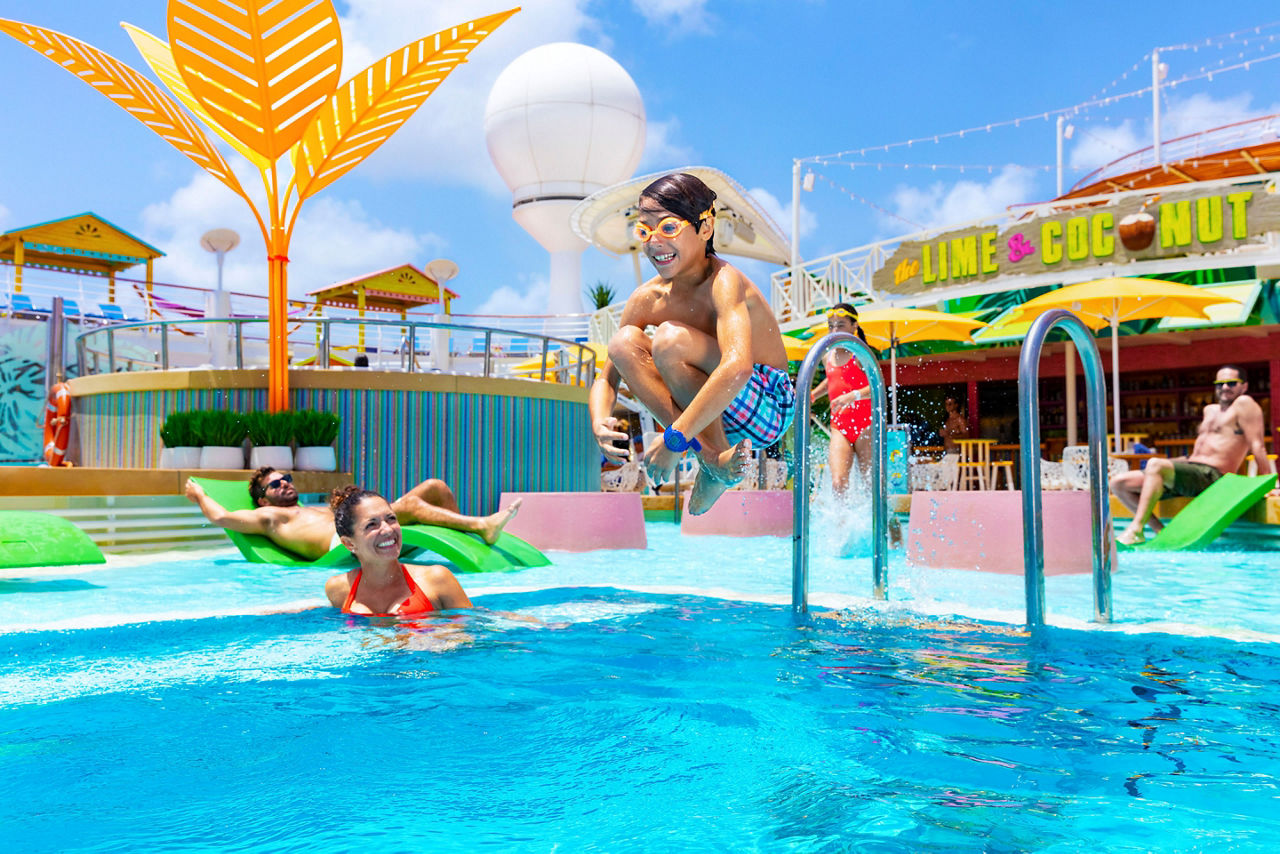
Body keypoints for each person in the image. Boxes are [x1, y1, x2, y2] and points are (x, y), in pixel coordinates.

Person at [589, 172, 795, 514]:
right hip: (712, 414)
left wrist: (675, 439)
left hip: (767, 408)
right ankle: (714, 459)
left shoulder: (723, 281)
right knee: (624, 342)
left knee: (670, 339)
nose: (654, 241)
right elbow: (605, 379)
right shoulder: (647, 298)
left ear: (705, 228)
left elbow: (738, 367)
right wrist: (599, 421)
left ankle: (708, 456)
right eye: (645, 230)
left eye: (668, 228)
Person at [185, 467, 522, 560]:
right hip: (346, 547)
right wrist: (200, 494)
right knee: (411, 508)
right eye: (275, 485)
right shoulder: (270, 518)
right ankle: (481, 526)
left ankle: (466, 542)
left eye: (286, 479)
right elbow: (222, 518)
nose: (285, 485)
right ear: (262, 500)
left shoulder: (310, 509)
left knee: (435, 486)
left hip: (364, 530)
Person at [1110, 365, 1273, 545]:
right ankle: (1160, 531)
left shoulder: (1245, 404)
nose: (1225, 387)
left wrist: (1266, 483)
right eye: (1220, 384)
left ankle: (1136, 529)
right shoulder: (1209, 410)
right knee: (1118, 483)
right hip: (1192, 470)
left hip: (1212, 475)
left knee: (1156, 464)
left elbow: (1257, 445)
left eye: (1232, 383)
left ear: (1244, 386)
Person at [324, 486, 472, 616]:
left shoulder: (436, 579)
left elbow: (472, 634)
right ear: (349, 544)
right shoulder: (339, 588)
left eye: (391, 519)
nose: (388, 529)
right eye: (371, 524)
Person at [808, 304, 875, 494]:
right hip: (840, 426)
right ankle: (841, 523)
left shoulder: (861, 354)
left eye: (841, 325)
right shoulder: (827, 356)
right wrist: (813, 394)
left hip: (866, 425)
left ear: (854, 326)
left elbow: (877, 387)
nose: (835, 330)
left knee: (871, 484)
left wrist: (853, 395)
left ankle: (885, 521)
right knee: (838, 483)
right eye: (831, 326)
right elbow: (833, 381)